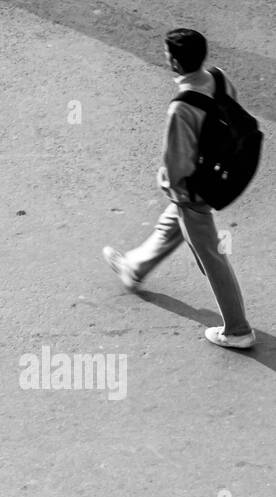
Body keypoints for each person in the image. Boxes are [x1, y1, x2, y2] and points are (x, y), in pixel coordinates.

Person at [102, 28, 255, 349]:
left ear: (173, 60)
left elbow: (176, 168)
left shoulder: (182, 108)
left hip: (194, 191)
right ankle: (134, 268)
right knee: (171, 225)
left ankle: (238, 329)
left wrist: (170, 187)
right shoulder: (219, 77)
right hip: (218, 175)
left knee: (212, 256)